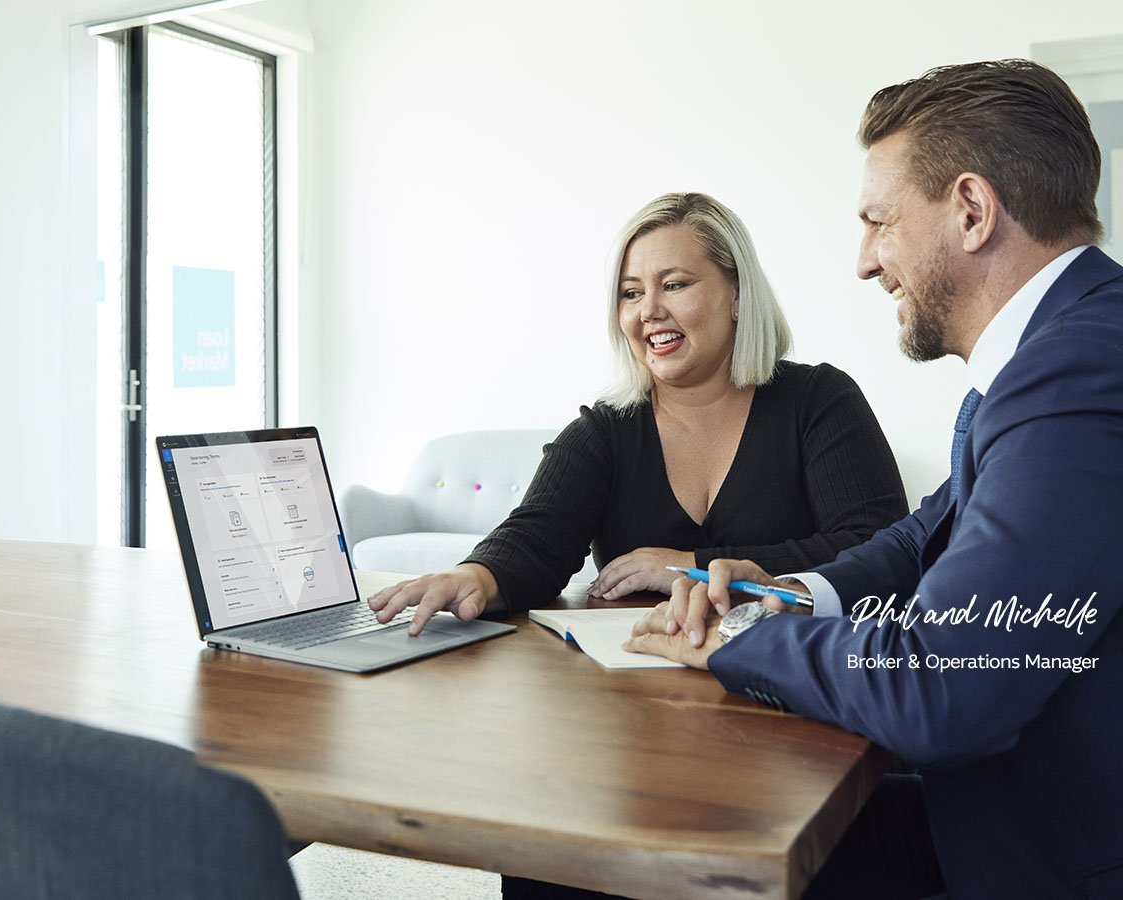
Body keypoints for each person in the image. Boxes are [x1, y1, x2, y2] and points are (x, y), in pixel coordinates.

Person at [627, 60, 1123, 900]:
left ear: (971, 211)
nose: (864, 262)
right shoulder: (1061, 349)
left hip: (1052, 855)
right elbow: (926, 530)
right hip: (1016, 806)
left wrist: (739, 637)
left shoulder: (1076, 371)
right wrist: (789, 593)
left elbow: (943, 687)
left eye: (879, 222)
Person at [368, 192, 907, 639]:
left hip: (804, 682)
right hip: (648, 692)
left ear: (737, 294)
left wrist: (689, 561)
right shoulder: (605, 430)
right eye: (631, 293)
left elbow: (877, 546)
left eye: (674, 284)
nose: (648, 310)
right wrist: (475, 576)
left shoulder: (818, 400)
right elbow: (537, 539)